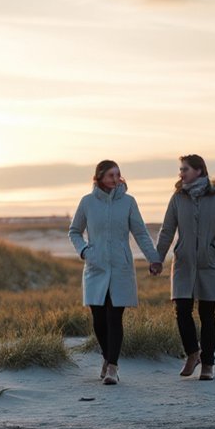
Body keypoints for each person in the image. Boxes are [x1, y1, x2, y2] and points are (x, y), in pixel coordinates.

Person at [69, 160, 162, 385]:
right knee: (99, 320)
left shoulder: (128, 202)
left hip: (121, 268)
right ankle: (106, 357)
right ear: (99, 177)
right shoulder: (87, 202)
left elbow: (140, 233)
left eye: (117, 174)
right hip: (96, 267)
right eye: (110, 175)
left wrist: (154, 258)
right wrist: (85, 252)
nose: (115, 179)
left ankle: (112, 367)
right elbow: (74, 231)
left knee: (114, 317)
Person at [156, 154, 215, 381]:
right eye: (181, 169)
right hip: (184, 264)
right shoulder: (177, 197)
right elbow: (167, 230)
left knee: (207, 314)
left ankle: (208, 363)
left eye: (185, 169)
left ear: (199, 170)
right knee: (182, 311)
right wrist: (157, 259)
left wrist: (214, 249)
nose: (181, 173)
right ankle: (193, 354)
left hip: (209, 263)